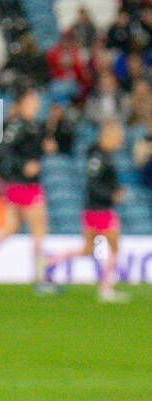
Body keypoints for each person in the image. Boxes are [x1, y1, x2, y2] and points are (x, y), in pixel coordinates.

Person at [47, 121, 129, 302]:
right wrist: (112, 195)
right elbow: (93, 184)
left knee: (87, 249)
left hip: (91, 210)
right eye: (117, 137)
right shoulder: (99, 157)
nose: (120, 141)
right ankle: (106, 289)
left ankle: (53, 261)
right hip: (101, 210)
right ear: (108, 135)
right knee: (114, 249)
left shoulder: (99, 155)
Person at [0, 88, 55, 293]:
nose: (36, 106)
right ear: (21, 104)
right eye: (32, 102)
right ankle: (40, 279)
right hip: (23, 185)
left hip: (25, 185)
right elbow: (3, 151)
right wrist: (23, 166)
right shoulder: (17, 124)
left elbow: (35, 148)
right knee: (39, 229)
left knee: (9, 229)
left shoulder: (33, 126)